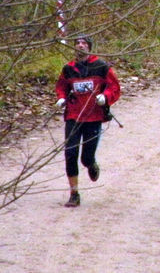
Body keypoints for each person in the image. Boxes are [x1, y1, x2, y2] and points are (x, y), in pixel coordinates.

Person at [55, 34, 121, 207]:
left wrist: (105, 97)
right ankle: (74, 193)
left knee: (86, 157)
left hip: (93, 116)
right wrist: (61, 98)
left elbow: (114, 87)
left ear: (89, 47)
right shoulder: (68, 68)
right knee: (70, 154)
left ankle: (91, 164)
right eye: (77, 43)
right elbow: (61, 86)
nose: (80, 45)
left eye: (84, 43)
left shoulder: (101, 66)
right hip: (73, 116)